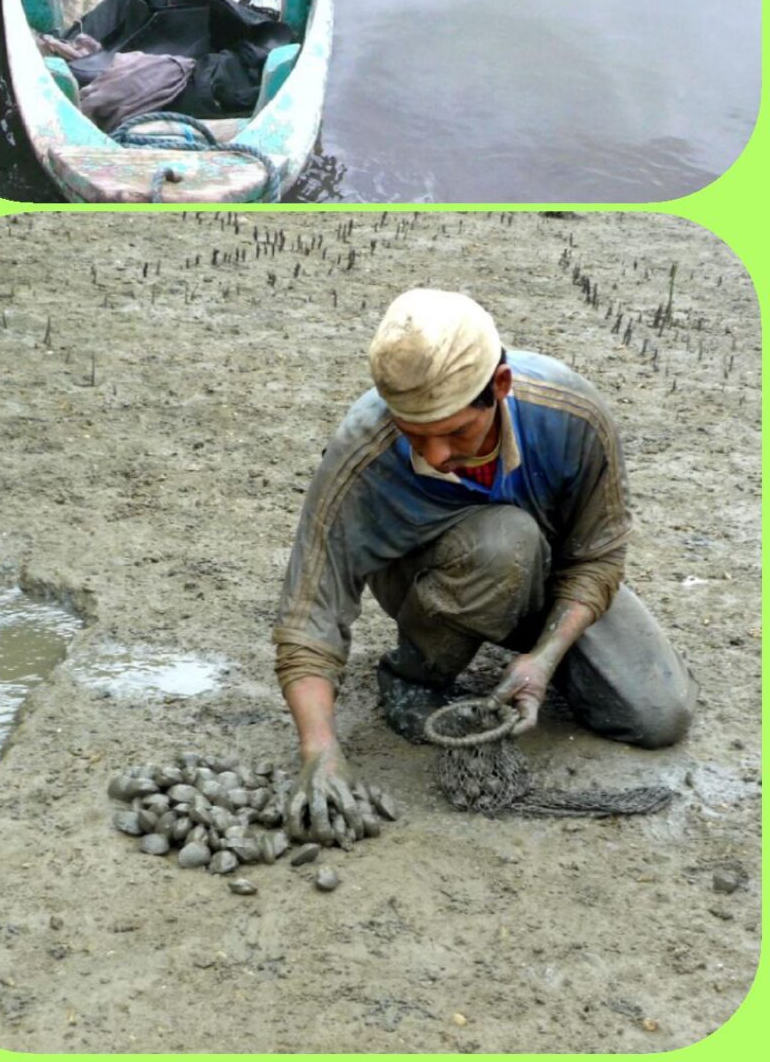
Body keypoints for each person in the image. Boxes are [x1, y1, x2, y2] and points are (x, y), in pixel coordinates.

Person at [274, 289, 695, 840]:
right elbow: (310, 613)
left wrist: (543, 661)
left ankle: (535, 649)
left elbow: (598, 557)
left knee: (658, 716)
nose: (434, 455)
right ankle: (414, 673)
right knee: (506, 541)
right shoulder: (363, 448)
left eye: (453, 432)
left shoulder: (571, 417)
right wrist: (319, 749)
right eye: (414, 434)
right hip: (434, 577)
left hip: (551, 578)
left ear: (499, 387)